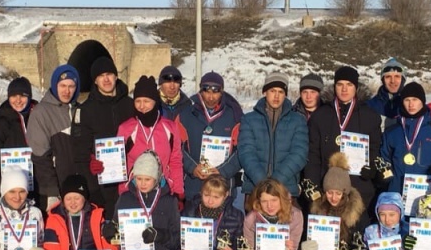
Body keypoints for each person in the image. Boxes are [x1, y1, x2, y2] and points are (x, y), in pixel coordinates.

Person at [304, 67, 383, 210]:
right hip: (327, 190)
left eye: (349, 85)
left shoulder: (370, 116)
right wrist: (313, 183)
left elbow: (375, 148)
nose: (344, 89)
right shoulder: (320, 116)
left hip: (358, 188)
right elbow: (313, 153)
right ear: (334, 87)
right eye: (340, 85)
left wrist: (371, 168)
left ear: (356, 88)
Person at [74, 55, 135, 218]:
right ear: (95, 81)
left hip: (132, 182)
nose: (106, 79)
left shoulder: (131, 105)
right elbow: (80, 152)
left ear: (116, 76)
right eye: (101, 76)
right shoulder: (86, 109)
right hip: (102, 186)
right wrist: (92, 185)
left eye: (109, 74)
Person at [238, 73, 309, 198]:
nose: (276, 96)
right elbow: (246, 153)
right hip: (255, 189)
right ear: (265, 92)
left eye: (281, 92)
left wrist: (276, 182)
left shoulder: (298, 121)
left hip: (285, 189)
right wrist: (262, 183)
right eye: (272, 91)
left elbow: (299, 154)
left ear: (285, 94)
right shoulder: (249, 119)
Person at [177, 71, 243, 204]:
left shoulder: (234, 116)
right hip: (194, 186)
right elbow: (176, 148)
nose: (211, 97)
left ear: (222, 92)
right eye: (207, 91)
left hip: (222, 187)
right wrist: (192, 168)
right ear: (201, 90)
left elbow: (241, 151)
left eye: (216, 91)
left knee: (223, 224)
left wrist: (222, 171)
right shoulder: (186, 115)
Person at [117, 76, 184, 198]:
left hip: (163, 191)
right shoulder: (125, 128)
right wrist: (123, 191)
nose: (142, 106)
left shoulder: (170, 127)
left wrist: (178, 191)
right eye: (138, 101)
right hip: (133, 192)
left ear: (155, 101)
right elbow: (119, 163)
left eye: (146, 101)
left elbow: (175, 161)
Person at [381, 81, 431, 199]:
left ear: (422, 102)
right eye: (407, 100)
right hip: (396, 192)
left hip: (426, 193)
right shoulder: (392, 132)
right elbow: (384, 158)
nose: (411, 104)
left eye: (415, 99)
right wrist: (385, 177)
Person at [26, 64, 81, 209]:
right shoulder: (41, 113)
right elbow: (40, 156)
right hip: (56, 188)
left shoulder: (80, 110)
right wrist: (52, 192)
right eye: (62, 85)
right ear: (55, 85)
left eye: (71, 86)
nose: (66, 91)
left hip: (77, 189)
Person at [0, 76, 37, 203]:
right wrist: (3, 187)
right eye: (13, 96)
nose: (18, 100)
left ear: (29, 96)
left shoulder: (39, 118)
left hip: (36, 190)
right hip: (7, 194)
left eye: (22, 96)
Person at [367, 58, 406, 130]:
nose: (392, 81)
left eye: (397, 76)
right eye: (388, 77)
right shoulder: (370, 106)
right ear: (383, 80)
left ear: (403, 80)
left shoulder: (411, 105)